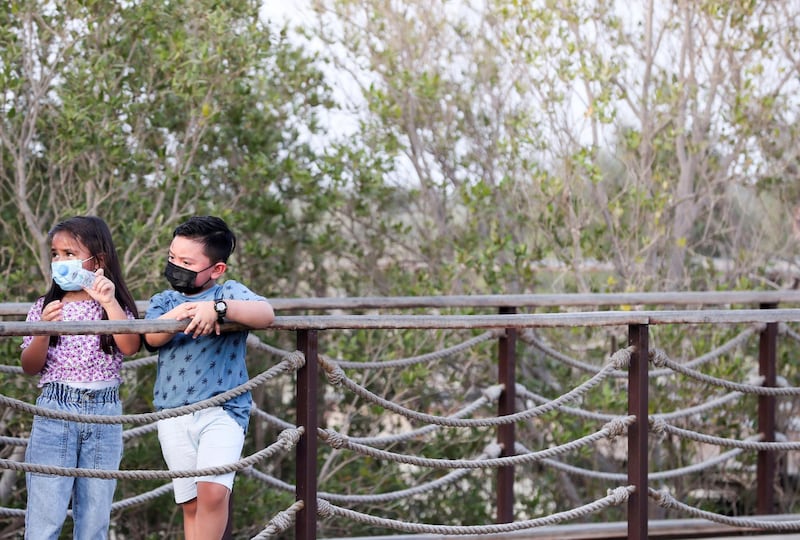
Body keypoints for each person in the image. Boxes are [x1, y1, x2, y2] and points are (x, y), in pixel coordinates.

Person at [143, 216, 275, 540]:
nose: (176, 266)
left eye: (187, 262)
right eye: (173, 258)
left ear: (216, 269)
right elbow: (149, 338)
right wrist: (178, 316)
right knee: (190, 502)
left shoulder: (230, 293)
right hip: (173, 411)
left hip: (223, 410)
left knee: (213, 493)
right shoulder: (165, 301)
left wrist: (218, 308)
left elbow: (266, 314)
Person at [20, 215, 141, 540]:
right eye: (55, 254)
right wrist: (44, 331)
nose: (59, 262)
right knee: (45, 516)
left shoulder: (113, 307)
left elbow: (130, 346)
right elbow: (30, 365)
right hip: (54, 411)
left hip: (104, 414)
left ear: (98, 260)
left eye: (69, 254)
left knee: (94, 519)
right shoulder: (46, 306)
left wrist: (109, 301)